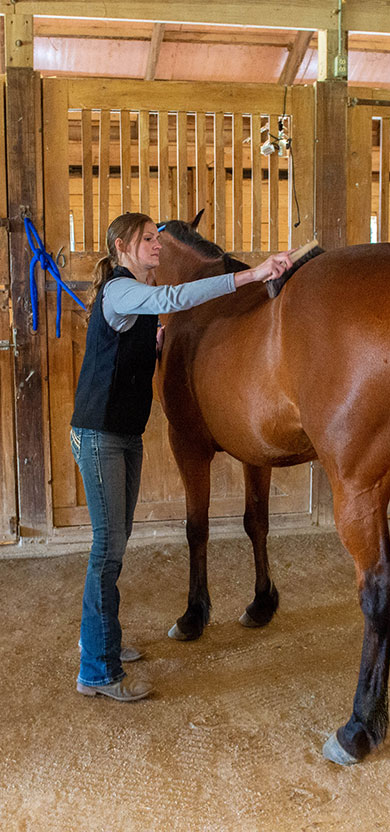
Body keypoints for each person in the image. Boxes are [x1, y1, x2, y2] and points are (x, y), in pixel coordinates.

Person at [71, 212, 293, 702]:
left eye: (157, 238)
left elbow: (137, 335)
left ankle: (102, 641)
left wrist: (152, 343)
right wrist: (252, 275)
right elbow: (172, 297)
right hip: (100, 435)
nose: (157, 246)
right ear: (121, 246)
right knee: (106, 550)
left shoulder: (134, 302)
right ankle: (98, 672)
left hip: (120, 436)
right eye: (148, 239)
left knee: (114, 544)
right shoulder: (119, 290)